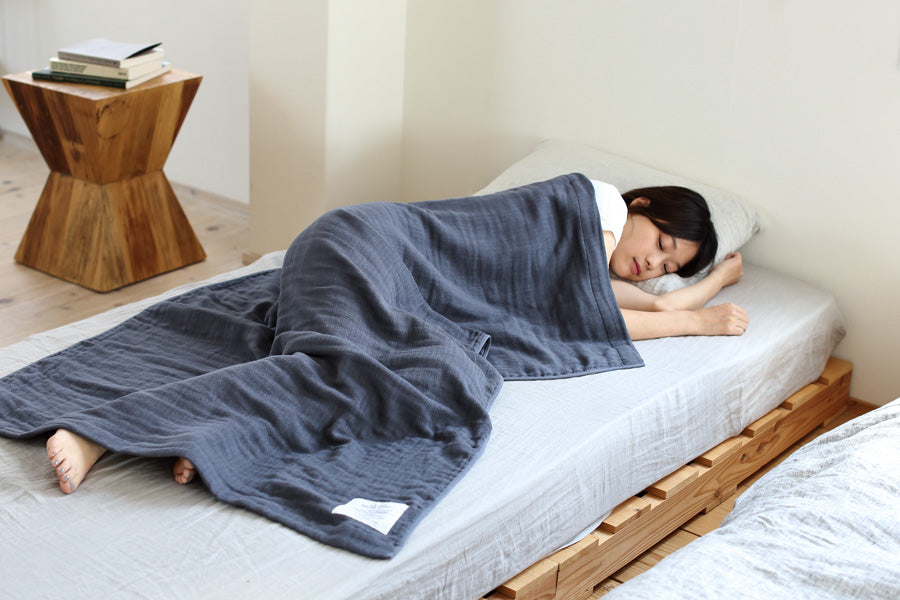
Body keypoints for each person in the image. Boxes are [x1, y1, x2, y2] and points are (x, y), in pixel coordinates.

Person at [46, 179, 747, 496]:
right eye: (661, 245)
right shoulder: (591, 203)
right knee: (355, 372)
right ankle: (106, 429)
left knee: (399, 375)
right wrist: (692, 318)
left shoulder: (592, 256)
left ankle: (216, 432)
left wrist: (702, 288)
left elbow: (605, 304)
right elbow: (596, 317)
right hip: (371, 248)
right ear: (639, 206)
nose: (653, 266)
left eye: (667, 268)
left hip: (373, 260)